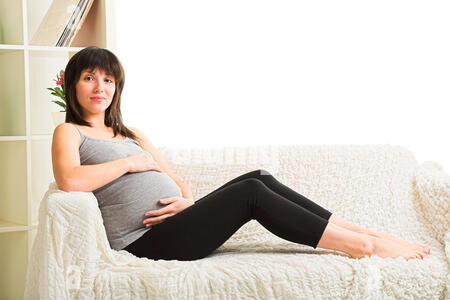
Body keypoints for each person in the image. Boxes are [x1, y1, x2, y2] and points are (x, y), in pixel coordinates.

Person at [51, 46, 430, 262]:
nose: (99, 87)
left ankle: (362, 231)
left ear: (117, 88)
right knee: (251, 196)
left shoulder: (130, 133)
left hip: (177, 224)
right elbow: (69, 179)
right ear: (74, 84)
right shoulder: (69, 132)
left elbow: (177, 180)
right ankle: (361, 247)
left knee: (259, 177)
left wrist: (187, 201)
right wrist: (131, 163)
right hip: (144, 242)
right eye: (89, 78)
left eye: (108, 79)